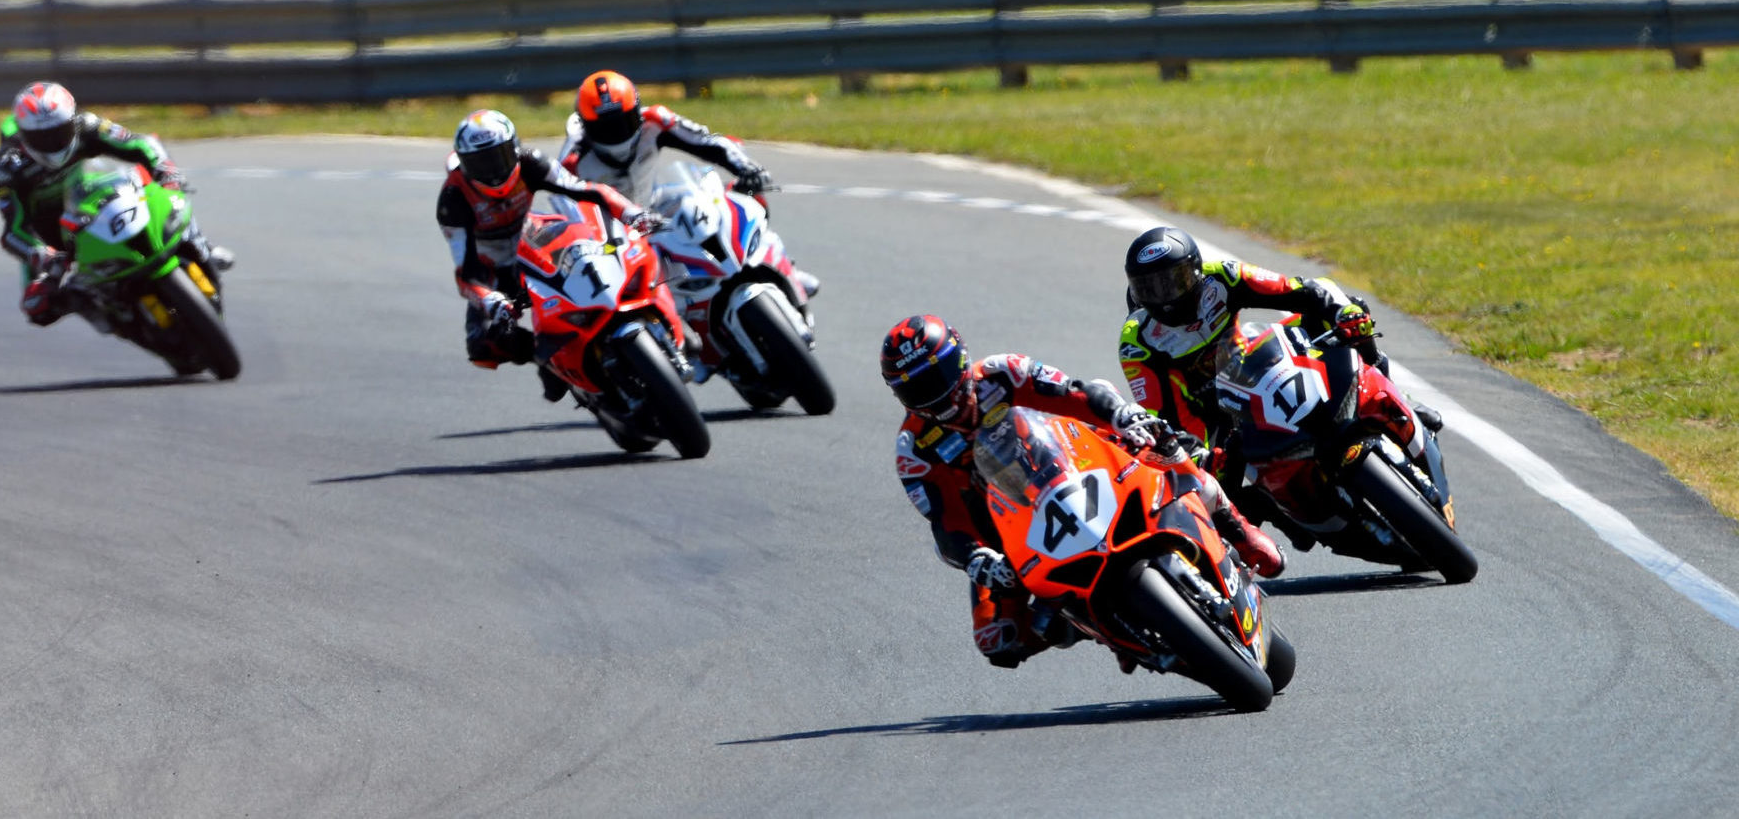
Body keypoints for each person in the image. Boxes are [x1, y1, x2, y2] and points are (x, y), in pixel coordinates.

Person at [883, 315, 1284, 671]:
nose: (936, 397)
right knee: (999, 640)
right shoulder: (914, 450)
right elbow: (945, 523)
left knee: (1165, 447)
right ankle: (1100, 628)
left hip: (1077, 462)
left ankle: (1238, 529)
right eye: (917, 391)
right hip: (1011, 535)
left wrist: (1120, 416)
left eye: (938, 379)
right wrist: (976, 559)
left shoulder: (1003, 373)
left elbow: (1075, 393)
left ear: (961, 360)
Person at [1117, 225, 1442, 546]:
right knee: (1204, 492)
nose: (1166, 297)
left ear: (1197, 270)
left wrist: (1345, 312)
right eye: (1150, 289)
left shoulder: (1224, 276)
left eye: (1174, 281)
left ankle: (1392, 391)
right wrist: (1201, 456)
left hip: (1251, 362)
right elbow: (1163, 415)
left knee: (1349, 310)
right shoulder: (1138, 341)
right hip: (1210, 411)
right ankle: (1274, 508)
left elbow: (1305, 290)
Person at [438, 108, 664, 398]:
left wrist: (631, 213)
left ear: (514, 148)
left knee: (610, 252)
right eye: (480, 163)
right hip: (493, 269)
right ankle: (548, 360)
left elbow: (587, 190)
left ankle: (649, 316)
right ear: (464, 165)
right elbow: (466, 274)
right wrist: (491, 299)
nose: (493, 171)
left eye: (499, 157)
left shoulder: (530, 162)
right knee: (482, 346)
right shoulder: (453, 199)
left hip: (536, 243)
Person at [560, 70, 817, 298]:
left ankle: (780, 266)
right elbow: (573, 218)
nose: (617, 136)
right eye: (605, 130)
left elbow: (707, 141)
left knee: (740, 198)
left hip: (655, 206)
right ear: (586, 127)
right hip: (616, 235)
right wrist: (605, 246)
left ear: (637, 112)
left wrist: (747, 167)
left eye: (624, 124)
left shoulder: (656, 121)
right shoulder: (572, 162)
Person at [0, 81, 231, 326]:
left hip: (101, 203)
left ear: (72, 121)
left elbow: (142, 143)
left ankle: (200, 245)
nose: (53, 143)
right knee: (37, 309)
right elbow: (13, 230)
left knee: (168, 193)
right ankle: (106, 313)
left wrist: (167, 174)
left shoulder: (88, 125)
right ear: (23, 135)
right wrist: (43, 256)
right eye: (40, 138)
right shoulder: (8, 169)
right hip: (53, 237)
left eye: (59, 132)